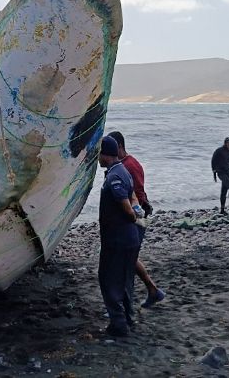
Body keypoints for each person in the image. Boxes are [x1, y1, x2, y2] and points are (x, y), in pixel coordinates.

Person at [107, 131, 165, 309]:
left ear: (120, 148)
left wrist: (132, 216)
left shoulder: (129, 166)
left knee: (126, 262)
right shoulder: (125, 165)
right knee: (129, 260)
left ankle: (129, 303)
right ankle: (152, 290)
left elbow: (136, 192)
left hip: (133, 220)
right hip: (133, 218)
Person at [97, 135, 142, 337]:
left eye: (98, 153)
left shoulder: (114, 176)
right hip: (128, 239)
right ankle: (129, 318)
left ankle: (118, 324)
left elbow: (125, 204)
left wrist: (132, 216)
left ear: (105, 155)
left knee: (108, 280)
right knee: (125, 280)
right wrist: (136, 211)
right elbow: (133, 198)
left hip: (117, 239)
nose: (97, 158)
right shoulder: (123, 170)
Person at [211, 137, 229, 215]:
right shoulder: (219, 150)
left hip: (228, 172)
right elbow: (213, 160)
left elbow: (228, 162)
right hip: (221, 172)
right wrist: (214, 172)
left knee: (224, 190)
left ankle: (222, 210)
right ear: (225, 143)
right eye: (227, 143)